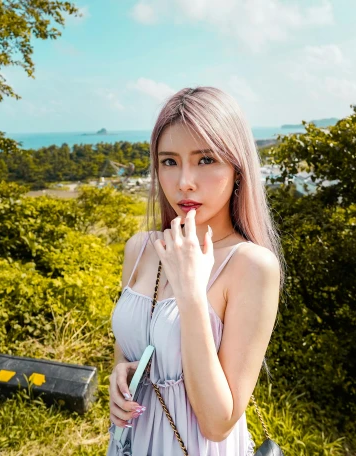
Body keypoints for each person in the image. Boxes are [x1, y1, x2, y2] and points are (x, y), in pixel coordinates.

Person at [106, 86, 285, 455]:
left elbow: (219, 423)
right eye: (169, 161)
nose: (184, 180)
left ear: (238, 169)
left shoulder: (250, 265)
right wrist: (120, 372)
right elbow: (127, 348)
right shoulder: (140, 249)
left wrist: (190, 294)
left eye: (205, 160)